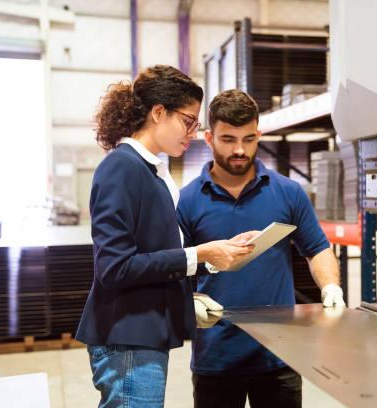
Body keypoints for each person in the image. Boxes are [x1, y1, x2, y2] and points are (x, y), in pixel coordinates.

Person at [76, 66, 254, 407]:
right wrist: (199, 254)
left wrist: (216, 259)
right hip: (127, 337)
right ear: (159, 112)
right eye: (188, 121)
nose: (192, 132)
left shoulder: (153, 173)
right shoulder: (121, 168)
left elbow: (155, 255)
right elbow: (114, 268)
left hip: (141, 335)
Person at [177, 89, 346, 408]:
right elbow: (175, 266)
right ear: (209, 137)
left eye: (249, 138)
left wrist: (331, 287)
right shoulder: (188, 200)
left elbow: (317, 249)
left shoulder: (288, 193)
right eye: (228, 139)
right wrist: (188, 300)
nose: (239, 149)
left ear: (259, 134)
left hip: (279, 357)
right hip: (216, 358)